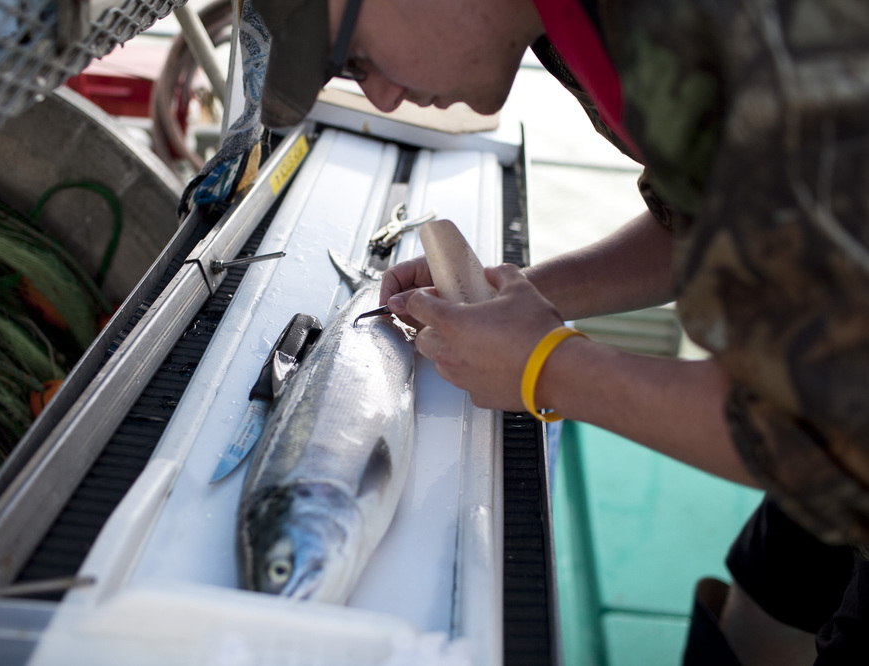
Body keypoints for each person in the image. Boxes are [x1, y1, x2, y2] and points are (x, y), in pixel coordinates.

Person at [250, 0, 869, 663]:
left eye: (353, 56)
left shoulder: (749, 28)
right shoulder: (571, 25)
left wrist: (543, 366)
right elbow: (707, 211)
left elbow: (830, 429)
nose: (377, 92)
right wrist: (522, 297)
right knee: (768, 607)